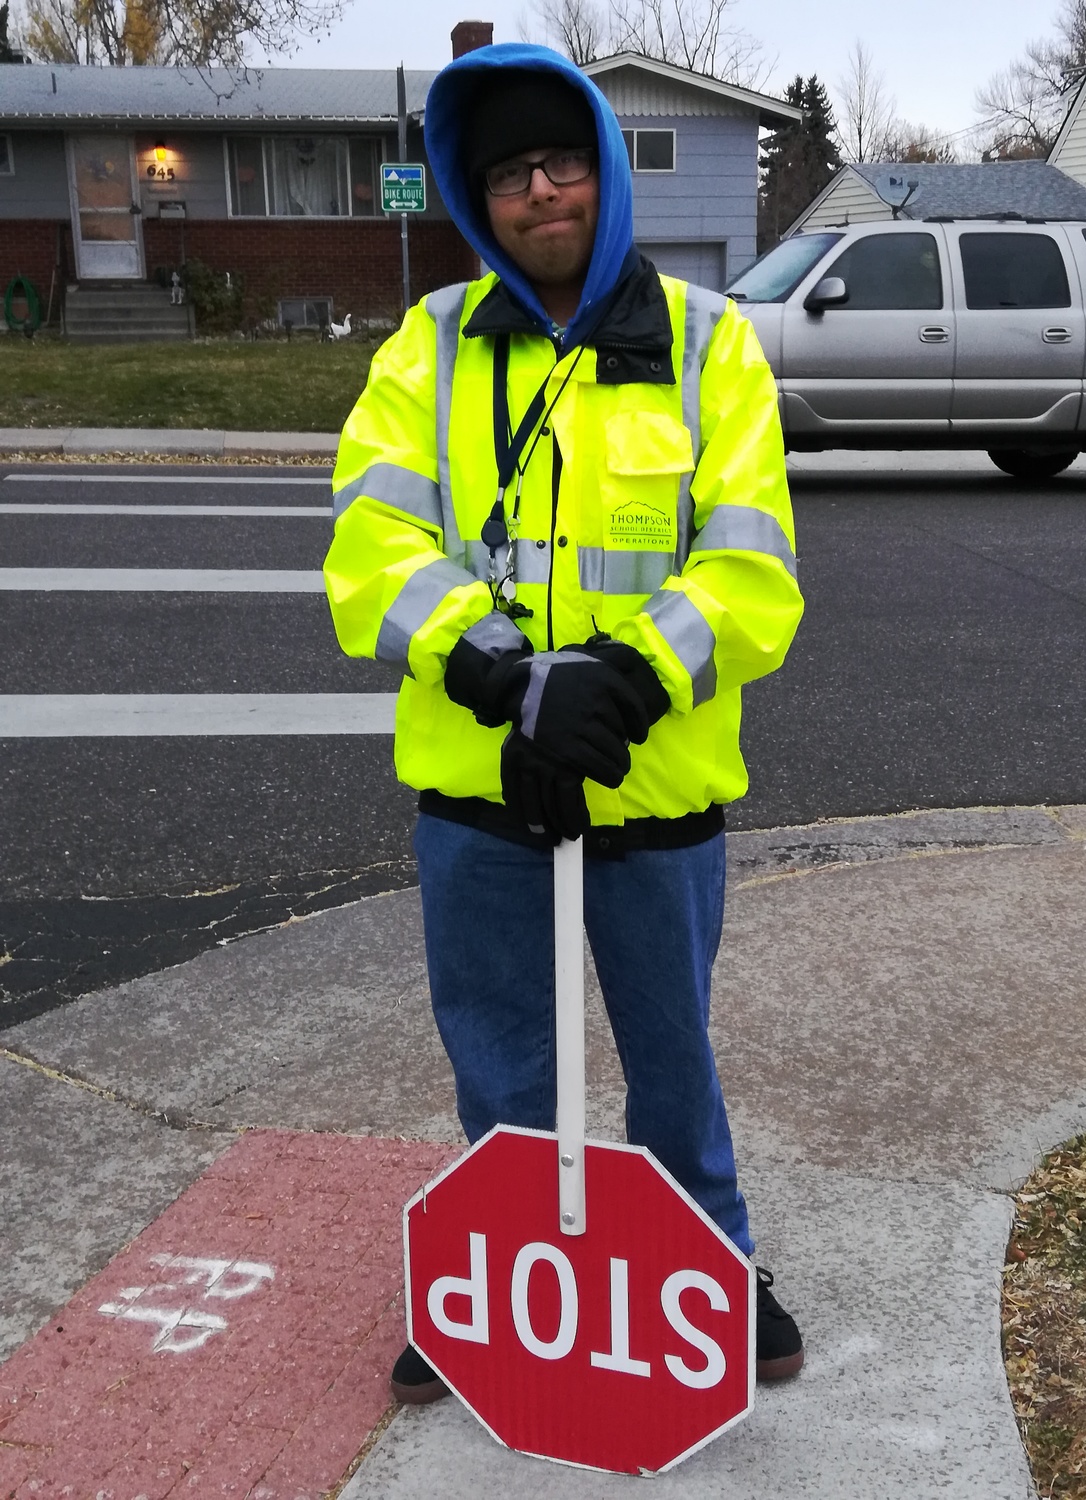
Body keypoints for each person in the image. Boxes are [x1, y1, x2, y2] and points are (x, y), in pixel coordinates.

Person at [323, 42, 806, 1404]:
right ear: (478, 201)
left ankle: (710, 1263)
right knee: (499, 1063)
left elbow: (752, 571)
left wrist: (626, 679)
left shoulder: (710, 344)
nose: (541, 191)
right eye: (508, 175)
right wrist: (507, 679)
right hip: (479, 789)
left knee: (672, 1063)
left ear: (602, 169)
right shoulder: (429, 346)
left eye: (561, 161)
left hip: (655, 790)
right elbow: (370, 549)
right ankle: (495, 1274)